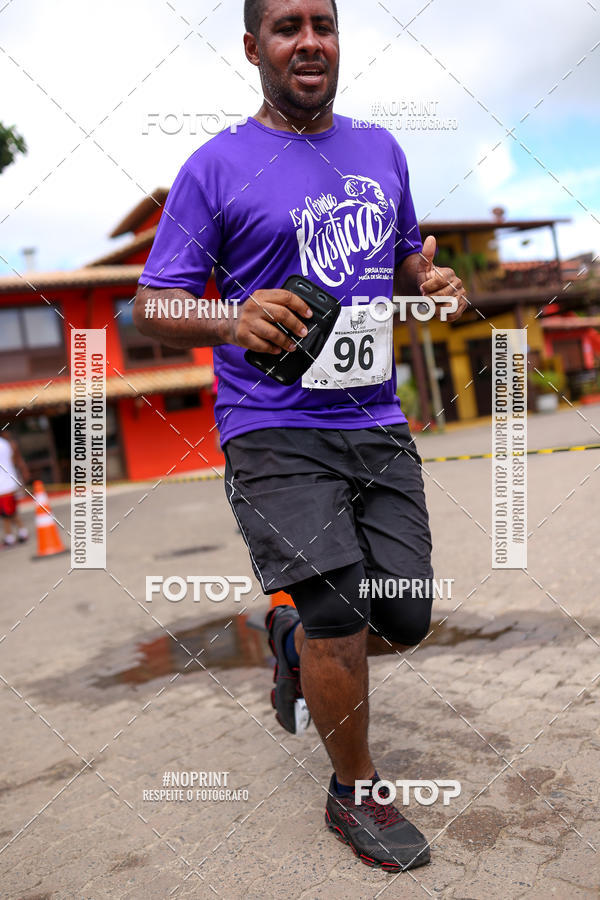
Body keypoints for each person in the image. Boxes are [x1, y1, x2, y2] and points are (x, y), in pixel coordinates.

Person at [134, 0, 466, 872]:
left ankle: (286, 646)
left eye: (323, 23)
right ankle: (353, 791)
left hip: (376, 419)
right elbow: (151, 302)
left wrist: (429, 277)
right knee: (336, 611)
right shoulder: (215, 167)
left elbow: (405, 260)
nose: (309, 40)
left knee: (405, 613)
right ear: (254, 47)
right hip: (272, 425)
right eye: (288, 27)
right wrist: (230, 317)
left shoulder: (381, 150)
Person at [0, 431, 30, 547]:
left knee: (6, 514)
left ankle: (10, 538)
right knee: (11, 512)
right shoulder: (6, 444)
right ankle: (22, 533)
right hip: (9, 483)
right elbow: (15, 460)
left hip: (3, 486)